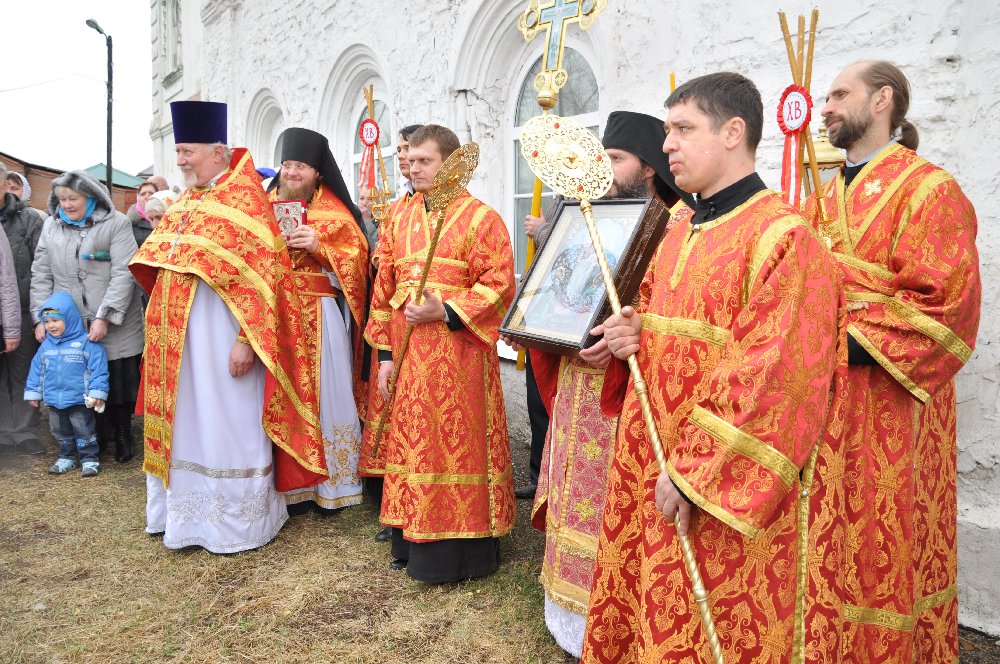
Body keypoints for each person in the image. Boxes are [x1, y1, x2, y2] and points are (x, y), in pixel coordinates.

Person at [582, 73, 848, 662]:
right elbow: (653, 315)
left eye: (683, 129)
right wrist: (630, 329)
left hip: (716, 480)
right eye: (668, 130)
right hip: (652, 451)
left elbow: (773, 377)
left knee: (717, 619)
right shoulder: (678, 226)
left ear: (732, 132)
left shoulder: (785, 238)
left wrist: (693, 474)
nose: (667, 144)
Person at [804, 61, 981, 663]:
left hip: (891, 401)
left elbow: (946, 306)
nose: (826, 107)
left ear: (882, 100)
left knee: (886, 536)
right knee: (829, 533)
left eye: (839, 94)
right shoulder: (819, 200)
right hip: (826, 399)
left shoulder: (931, 190)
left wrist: (833, 340)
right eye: (825, 96)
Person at [515, 110, 691, 657]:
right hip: (578, 379)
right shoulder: (591, 214)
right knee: (575, 488)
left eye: (615, 158)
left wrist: (629, 335)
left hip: (627, 392)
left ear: (648, 166)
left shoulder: (679, 224)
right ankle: (568, 609)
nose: (604, 168)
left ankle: (609, 605)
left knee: (613, 495)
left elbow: (677, 312)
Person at [130, 100, 326, 554]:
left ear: (218, 152)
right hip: (179, 346)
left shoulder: (245, 202)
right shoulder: (186, 202)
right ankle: (183, 516)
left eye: (188, 152)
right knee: (188, 422)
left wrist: (246, 342)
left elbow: (267, 282)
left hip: (224, 341)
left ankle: (236, 524)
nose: (181, 161)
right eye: (178, 153)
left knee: (226, 422)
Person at [365, 124, 515, 582]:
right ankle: (409, 539)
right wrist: (385, 357)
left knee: (453, 446)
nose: (413, 168)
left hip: (459, 359)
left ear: (449, 164)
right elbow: (384, 289)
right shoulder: (399, 217)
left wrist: (445, 309)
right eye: (410, 161)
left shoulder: (481, 219)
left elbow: (499, 284)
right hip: (408, 357)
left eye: (424, 161)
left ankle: (460, 552)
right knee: (413, 443)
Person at [267, 127, 370, 514]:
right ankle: (287, 485)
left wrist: (319, 247)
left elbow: (358, 264)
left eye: (301, 166)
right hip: (274, 312)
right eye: (287, 165)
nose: (292, 173)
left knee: (327, 393)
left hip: (320, 315)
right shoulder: (264, 204)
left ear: (317, 172)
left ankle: (331, 485)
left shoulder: (336, 213)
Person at [31, 169, 144, 464]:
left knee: (116, 377)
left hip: (115, 318)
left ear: (90, 197)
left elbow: (124, 273)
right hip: (70, 321)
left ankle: (123, 433)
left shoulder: (116, 223)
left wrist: (104, 316)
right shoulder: (51, 226)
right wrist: (41, 317)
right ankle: (95, 435)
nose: (67, 204)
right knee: (80, 377)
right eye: (62, 199)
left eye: (73, 198)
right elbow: (41, 273)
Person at [358, 122, 422, 543]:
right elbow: (381, 259)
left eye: (410, 151)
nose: (402, 158)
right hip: (393, 328)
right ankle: (389, 499)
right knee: (389, 410)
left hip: (427, 327)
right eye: (400, 151)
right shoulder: (396, 208)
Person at [24, 292, 108, 477]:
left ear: (69, 318)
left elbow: (98, 370)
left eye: (55, 320)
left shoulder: (87, 344)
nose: (50, 325)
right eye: (46, 321)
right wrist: (33, 393)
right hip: (54, 400)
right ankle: (67, 456)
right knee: (59, 430)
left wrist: (97, 393)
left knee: (83, 429)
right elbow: (36, 371)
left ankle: (89, 458)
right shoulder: (45, 347)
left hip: (79, 400)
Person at [0, 162, 41, 456]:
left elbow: (41, 266)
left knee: (23, 371)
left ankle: (25, 431)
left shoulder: (29, 219)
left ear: (5, 184)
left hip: (24, 308)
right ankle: (4, 431)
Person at [128, 181, 159, 248]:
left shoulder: (168, 218)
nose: (147, 196)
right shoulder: (130, 223)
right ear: (138, 198)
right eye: (143, 194)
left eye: (151, 193)